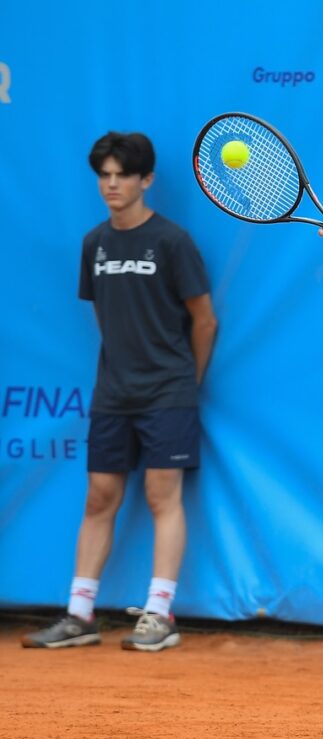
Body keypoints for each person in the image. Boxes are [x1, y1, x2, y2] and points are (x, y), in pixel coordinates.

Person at [21, 132, 218, 652]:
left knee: (161, 496)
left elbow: (205, 320)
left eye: (122, 176)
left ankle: (159, 614)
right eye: (104, 176)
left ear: (145, 180)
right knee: (100, 497)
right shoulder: (95, 244)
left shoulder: (173, 242)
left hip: (168, 391)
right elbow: (104, 316)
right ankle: (80, 615)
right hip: (112, 393)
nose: (111, 185)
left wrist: (185, 384)